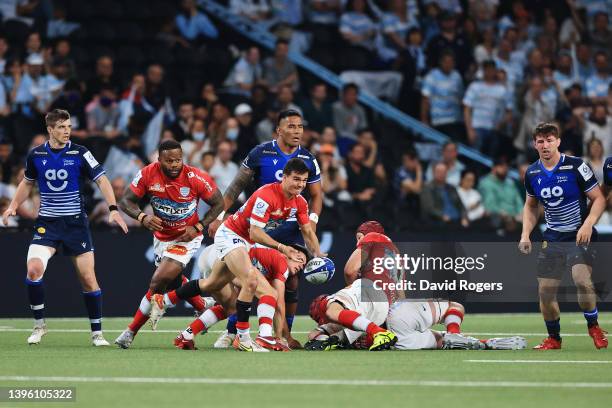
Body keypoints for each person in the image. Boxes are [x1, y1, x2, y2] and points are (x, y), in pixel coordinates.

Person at [1, 109, 128, 346]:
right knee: (33, 270)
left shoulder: (81, 152)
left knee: (89, 279)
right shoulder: (36, 154)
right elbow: (27, 182)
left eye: (68, 126)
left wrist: (112, 209)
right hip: (47, 225)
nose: (66, 130)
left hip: (75, 225)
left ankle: (97, 333)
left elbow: (102, 179)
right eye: (61, 126)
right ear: (50, 129)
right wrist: (13, 206)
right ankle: (39, 326)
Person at [207, 109, 322, 349]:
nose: (297, 131)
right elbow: (235, 188)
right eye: (291, 126)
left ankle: (283, 334)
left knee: (289, 282)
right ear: (278, 130)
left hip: (290, 228)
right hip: (257, 228)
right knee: (246, 281)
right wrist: (218, 216)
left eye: (300, 127)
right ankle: (234, 330)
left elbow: (317, 195)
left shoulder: (309, 159)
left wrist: (311, 223)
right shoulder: (261, 153)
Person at [113, 140, 223, 349]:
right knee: (172, 282)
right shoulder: (147, 174)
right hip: (161, 238)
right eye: (169, 161)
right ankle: (202, 304)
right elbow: (126, 201)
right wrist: (143, 217)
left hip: (187, 238)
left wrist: (198, 226)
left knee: (158, 281)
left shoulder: (196, 177)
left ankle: (130, 332)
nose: (174, 164)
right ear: (159, 160)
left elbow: (219, 203)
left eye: (178, 160)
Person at [519, 122, 608, 350]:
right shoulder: (533, 172)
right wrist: (525, 233)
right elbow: (530, 206)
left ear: (558, 142)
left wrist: (588, 224)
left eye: (550, 140)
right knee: (545, 292)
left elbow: (598, 198)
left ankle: (593, 325)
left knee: (581, 280)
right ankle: (554, 339)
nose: (545, 144)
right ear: (534, 144)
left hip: (579, 235)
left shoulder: (576, 166)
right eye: (541, 141)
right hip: (553, 238)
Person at [156, 244, 308, 350]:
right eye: (300, 259)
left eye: (303, 264)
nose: (301, 265)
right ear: (292, 252)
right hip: (226, 254)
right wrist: (281, 338)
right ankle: (260, 337)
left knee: (230, 306)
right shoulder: (281, 261)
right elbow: (279, 303)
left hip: (212, 256)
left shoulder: (269, 263)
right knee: (268, 294)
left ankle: (183, 329)